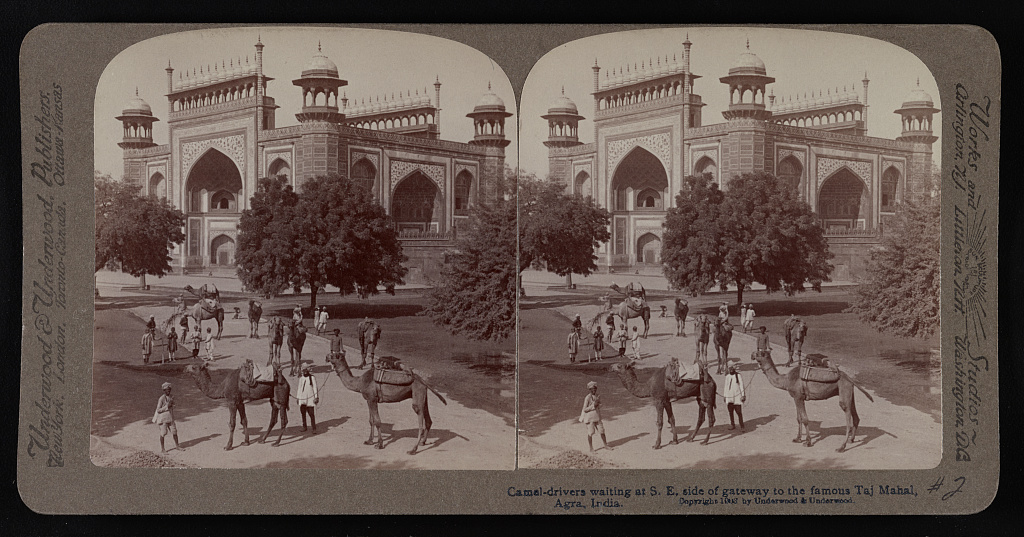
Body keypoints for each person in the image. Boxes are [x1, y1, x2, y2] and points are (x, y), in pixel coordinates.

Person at [579, 381, 612, 452]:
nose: (594, 390)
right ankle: (591, 448)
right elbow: (584, 409)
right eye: (592, 389)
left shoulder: (597, 396)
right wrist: (593, 405)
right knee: (591, 433)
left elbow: (600, 405)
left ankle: (605, 445)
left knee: (602, 431)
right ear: (590, 390)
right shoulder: (587, 398)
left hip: (597, 417)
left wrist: (598, 404)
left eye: (595, 389)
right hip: (589, 418)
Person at [153, 382, 184, 453]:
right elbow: (158, 410)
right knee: (163, 433)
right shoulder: (161, 399)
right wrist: (167, 406)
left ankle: (177, 446)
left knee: (174, 432)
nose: (168, 391)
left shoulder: (171, 397)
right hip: (163, 419)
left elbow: (174, 405)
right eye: (167, 390)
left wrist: (172, 404)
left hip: (171, 418)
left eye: (169, 389)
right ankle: (163, 449)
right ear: (164, 390)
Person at [296, 365, 319, 434]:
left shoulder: (312, 378)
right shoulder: (301, 378)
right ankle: (304, 426)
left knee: (311, 414)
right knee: (303, 413)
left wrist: (316, 397)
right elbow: (299, 388)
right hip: (302, 398)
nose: (305, 372)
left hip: (310, 398)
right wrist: (298, 397)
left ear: (308, 370)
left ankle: (314, 428)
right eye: (303, 370)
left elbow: (315, 388)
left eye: (306, 370)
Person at [723, 366, 746, 431]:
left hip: (737, 397)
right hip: (729, 397)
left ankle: (742, 426)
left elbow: (741, 385)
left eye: (732, 368)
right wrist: (725, 396)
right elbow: (726, 386)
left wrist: (743, 395)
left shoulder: (738, 376)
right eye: (730, 368)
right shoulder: (727, 377)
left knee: (739, 412)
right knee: (730, 412)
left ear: (734, 368)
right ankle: (732, 424)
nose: (731, 369)